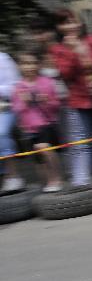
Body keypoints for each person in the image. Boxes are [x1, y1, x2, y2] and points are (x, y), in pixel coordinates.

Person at [50, 8, 92, 186]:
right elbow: (65, 74)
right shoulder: (58, 49)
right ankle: (81, 180)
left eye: (73, 21)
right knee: (82, 139)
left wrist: (83, 50)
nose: (70, 26)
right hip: (78, 98)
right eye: (65, 23)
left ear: (81, 23)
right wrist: (73, 52)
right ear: (59, 27)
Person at [11, 50, 63, 191]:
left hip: (46, 124)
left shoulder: (47, 82)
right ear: (20, 66)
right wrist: (23, 102)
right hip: (29, 128)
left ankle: (56, 179)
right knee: (38, 159)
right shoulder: (18, 87)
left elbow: (57, 105)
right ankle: (46, 182)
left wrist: (47, 101)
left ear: (38, 65)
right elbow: (16, 109)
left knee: (45, 149)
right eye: (26, 64)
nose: (30, 67)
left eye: (33, 63)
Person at [0, 51, 22, 191]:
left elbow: (15, 86)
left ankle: (12, 176)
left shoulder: (2, 58)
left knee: (1, 133)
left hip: (5, 106)